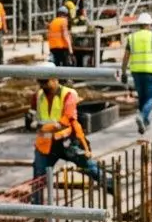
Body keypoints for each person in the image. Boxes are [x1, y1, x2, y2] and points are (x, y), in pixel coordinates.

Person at [29, 68, 113, 203]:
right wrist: (36, 123)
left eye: (46, 82)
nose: (43, 86)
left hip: (65, 141)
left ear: (55, 79)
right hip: (45, 144)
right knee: (38, 178)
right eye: (41, 83)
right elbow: (33, 117)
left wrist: (44, 128)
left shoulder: (68, 94)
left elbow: (66, 121)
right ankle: (38, 211)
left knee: (88, 166)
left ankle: (111, 185)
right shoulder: (39, 96)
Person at [121, 12, 152, 134]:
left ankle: (145, 122)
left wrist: (123, 72)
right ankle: (142, 117)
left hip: (136, 72)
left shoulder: (132, 37)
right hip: (150, 72)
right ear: (149, 25)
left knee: (142, 98)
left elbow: (125, 57)